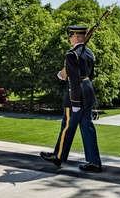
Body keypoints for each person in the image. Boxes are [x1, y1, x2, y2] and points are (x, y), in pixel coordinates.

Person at [40, 25, 103, 173]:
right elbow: (87, 74)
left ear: (77, 37)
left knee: (67, 126)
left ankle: (58, 155)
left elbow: (74, 80)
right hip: (88, 92)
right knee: (87, 127)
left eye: (71, 35)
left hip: (76, 94)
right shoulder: (89, 53)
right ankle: (94, 162)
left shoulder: (72, 54)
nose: (69, 38)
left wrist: (74, 102)